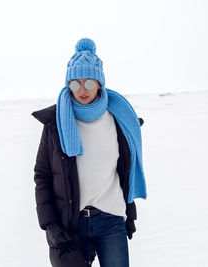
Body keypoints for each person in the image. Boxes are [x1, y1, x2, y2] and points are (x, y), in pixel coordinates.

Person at [32, 38, 147, 267]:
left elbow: (126, 171)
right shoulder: (56, 124)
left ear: (99, 83)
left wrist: (129, 212)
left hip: (111, 221)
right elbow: (42, 175)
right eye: (75, 84)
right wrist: (50, 224)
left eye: (88, 82)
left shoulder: (119, 121)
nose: (81, 90)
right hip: (70, 224)